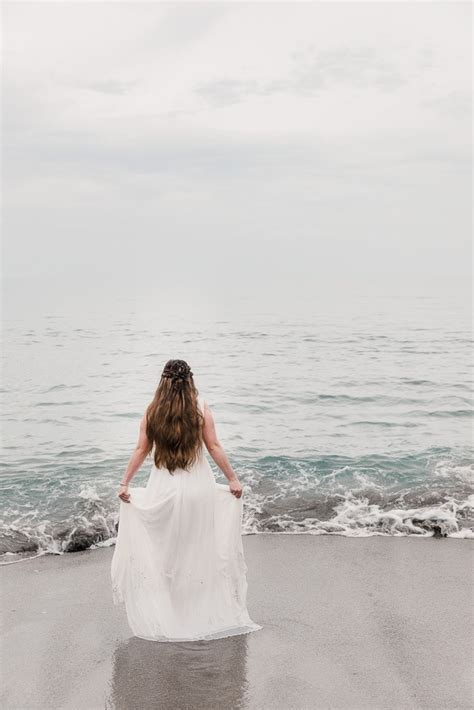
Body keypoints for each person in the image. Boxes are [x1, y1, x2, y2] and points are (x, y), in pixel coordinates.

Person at [110, 358, 262, 642]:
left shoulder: (152, 410)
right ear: (190, 380)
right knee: (197, 546)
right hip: (197, 488)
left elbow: (141, 449)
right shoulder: (201, 408)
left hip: (163, 488)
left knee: (166, 548)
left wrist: (125, 482)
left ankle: (171, 609)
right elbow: (214, 446)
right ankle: (196, 607)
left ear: (162, 381)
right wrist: (232, 478)